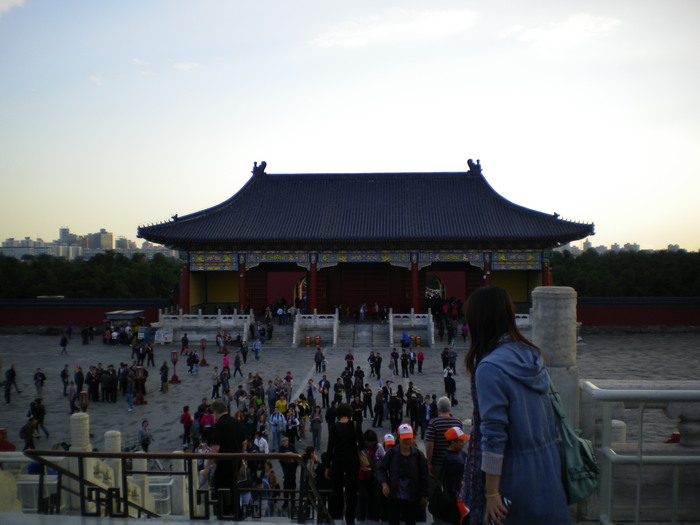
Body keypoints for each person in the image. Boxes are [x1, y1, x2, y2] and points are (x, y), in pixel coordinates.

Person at [462, 285, 570, 524]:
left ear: (480, 321)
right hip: (547, 469)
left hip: (513, 476)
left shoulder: (490, 367)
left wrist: (491, 493)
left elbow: (493, 435)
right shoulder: (531, 354)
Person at [376, 423, 429, 525]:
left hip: (412, 497)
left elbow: (424, 476)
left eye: (409, 438)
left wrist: (424, 494)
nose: (407, 441)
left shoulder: (418, 455)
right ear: (399, 438)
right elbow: (381, 470)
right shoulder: (391, 453)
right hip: (394, 496)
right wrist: (384, 483)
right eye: (404, 438)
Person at [325, 402, 365, 525]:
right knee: (352, 491)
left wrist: (327, 466)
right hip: (352, 461)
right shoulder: (355, 425)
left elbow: (330, 448)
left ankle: (336, 516)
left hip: (338, 461)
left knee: (337, 490)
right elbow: (362, 445)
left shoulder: (333, 427)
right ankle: (350, 519)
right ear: (349, 413)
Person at [207, 399, 246, 518]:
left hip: (224, 462)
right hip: (236, 461)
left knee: (221, 488)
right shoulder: (237, 422)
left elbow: (215, 449)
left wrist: (207, 467)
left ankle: (224, 514)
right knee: (233, 486)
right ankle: (237, 513)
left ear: (215, 412)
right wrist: (241, 456)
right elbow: (244, 442)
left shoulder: (219, 425)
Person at [425, 396, 461, 480]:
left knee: (434, 488)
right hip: (453, 462)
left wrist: (429, 463)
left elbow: (430, 445)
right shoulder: (457, 423)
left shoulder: (434, 423)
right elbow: (460, 444)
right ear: (450, 408)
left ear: (438, 409)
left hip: (437, 463)